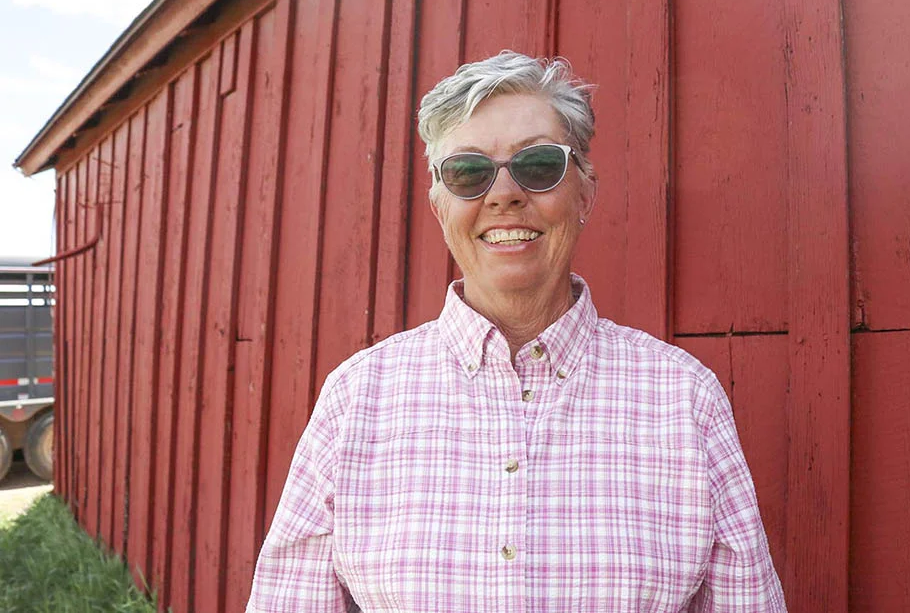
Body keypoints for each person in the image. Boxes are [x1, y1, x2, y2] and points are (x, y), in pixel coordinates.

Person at [247, 50, 786, 612]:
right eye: (468, 172)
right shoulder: (357, 398)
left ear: (584, 194)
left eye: (537, 165)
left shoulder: (683, 399)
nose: (503, 194)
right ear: (439, 205)